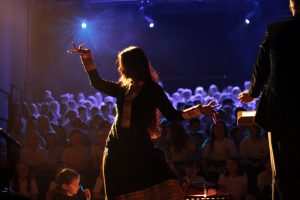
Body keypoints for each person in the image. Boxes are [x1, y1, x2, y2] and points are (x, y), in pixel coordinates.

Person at [68, 44, 219, 199]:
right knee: (117, 186)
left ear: (133, 65)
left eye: (122, 65)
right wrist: (87, 58)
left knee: (161, 178)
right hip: (116, 144)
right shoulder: (123, 88)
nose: (120, 70)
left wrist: (199, 110)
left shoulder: (153, 89)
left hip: (139, 144)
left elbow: (173, 114)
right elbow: (97, 83)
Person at [238, 1, 300, 199]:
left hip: (282, 110)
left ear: (292, 6)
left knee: (283, 170)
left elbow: (261, 65)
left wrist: (253, 92)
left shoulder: (276, 30)